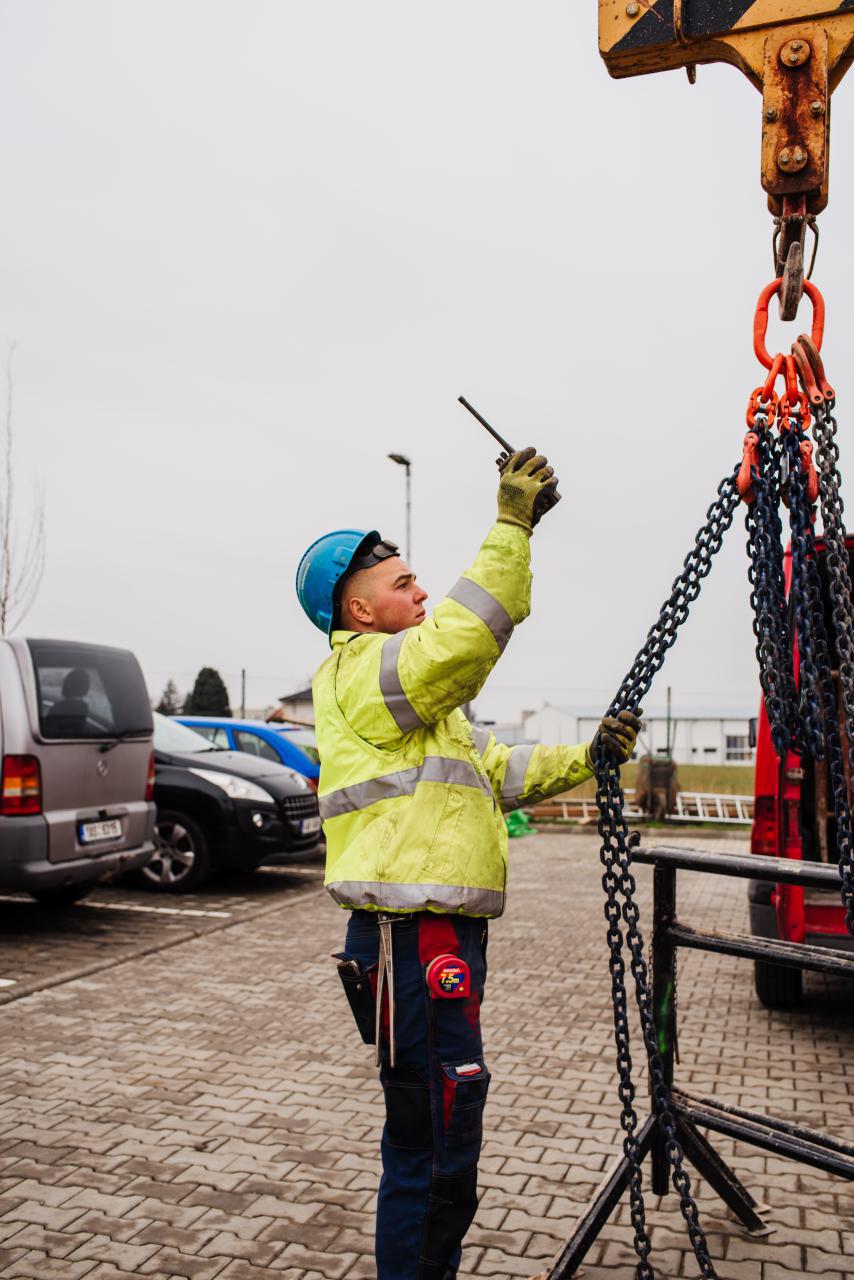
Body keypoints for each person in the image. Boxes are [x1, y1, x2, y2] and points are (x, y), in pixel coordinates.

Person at [295, 447, 640, 1280]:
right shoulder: (363, 672)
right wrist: (511, 525)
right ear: (359, 610)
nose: (421, 592)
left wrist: (588, 756)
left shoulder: (418, 708)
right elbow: (466, 634)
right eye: (404, 583)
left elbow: (498, 771)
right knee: (436, 1135)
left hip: (431, 939)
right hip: (410, 940)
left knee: (443, 1129)